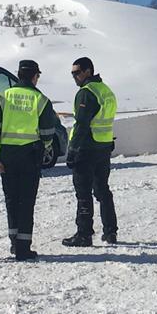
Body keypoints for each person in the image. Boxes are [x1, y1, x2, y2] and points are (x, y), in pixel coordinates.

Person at [0, 60, 60, 260]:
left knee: (11, 200)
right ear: (34, 76)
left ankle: (14, 241)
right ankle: (23, 246)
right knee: (27, 201)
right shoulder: (41, 100)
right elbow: (47, 133)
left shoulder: (3, 97)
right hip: (30, 156)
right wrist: (43, 146)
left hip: (7, 156)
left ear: (19, 75)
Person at [62, 56, 118, 246]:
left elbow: (81, 125)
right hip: (103, 147)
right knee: (103, 190)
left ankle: (84, 234)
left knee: (83, 193)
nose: (74, 77)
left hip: (86, 149)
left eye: (77, 72)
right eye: (72, 73)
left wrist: (72, 150)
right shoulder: (105, 90)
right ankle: (111, 232)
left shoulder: (86, 93)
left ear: (88, 71)